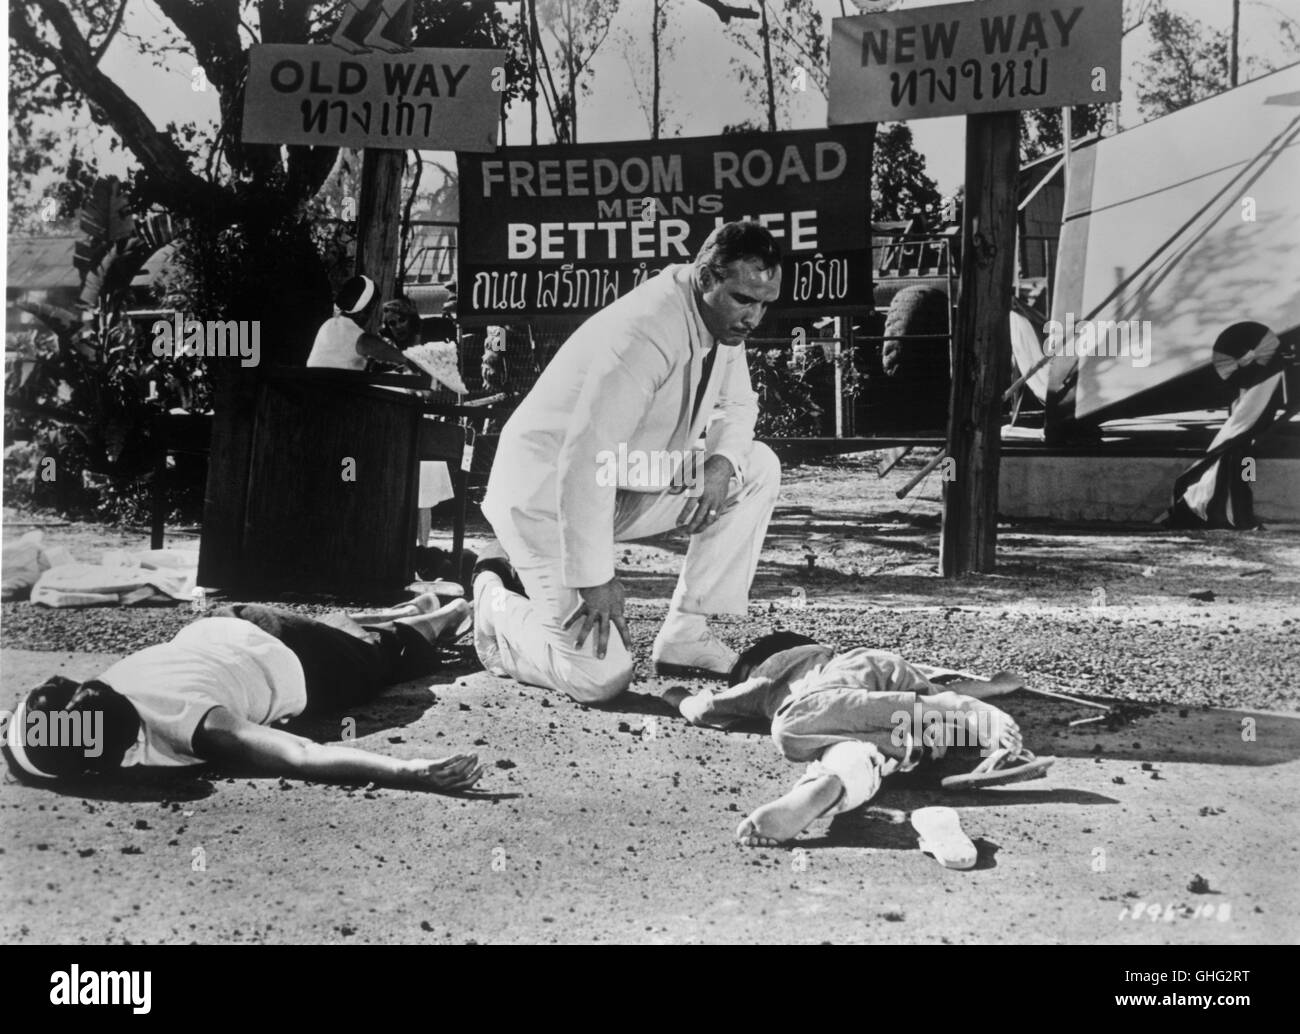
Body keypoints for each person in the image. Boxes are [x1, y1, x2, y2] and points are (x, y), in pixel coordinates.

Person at [473, 221, 784, 704]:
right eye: (745, 299)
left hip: (627, 474)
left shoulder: (721, 322)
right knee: (598, 679)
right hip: (545, 494)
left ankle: (685, 633)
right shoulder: (646, 329)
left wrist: (720, 463)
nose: (754, 317)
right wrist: (595, 578)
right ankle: (495, 604)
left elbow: (737, 407)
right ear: (705, 277)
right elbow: (586, 458)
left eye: (765, 303)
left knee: (756, 466)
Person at [2, 597, 483, 791]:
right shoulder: (93, 696)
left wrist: (408, 770)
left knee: (388, 655)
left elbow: (300, 754)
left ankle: (450, 610)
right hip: (231, 622)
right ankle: (412, 603)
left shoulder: (200, 725)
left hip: (301, 663)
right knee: (341, 634)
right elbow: (22, 721)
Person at [661, 632, 1050, 857]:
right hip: (903, 723)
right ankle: (828, 787)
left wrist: (676, 696)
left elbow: (705, 708)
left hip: (871, 690)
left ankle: (957, 714)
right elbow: (937, 683)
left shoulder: (779, 669)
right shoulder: (840, 664)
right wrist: (996, 686)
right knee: (857, 752)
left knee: (791, 725)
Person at [380, 295, 457, 548]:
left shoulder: (425, 345)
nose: (396, 327)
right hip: (394, 423)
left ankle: (423, 549)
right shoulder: (385, 347)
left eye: (400, 320)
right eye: (391, 323)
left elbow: (433, 387)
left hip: (422, 420)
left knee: (424, 493)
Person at [306, 274, 413, 371]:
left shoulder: (329, 324)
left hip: (314, 386)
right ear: (367, 309)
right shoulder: (353, 333)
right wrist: (408, 360)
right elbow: (375, 347)